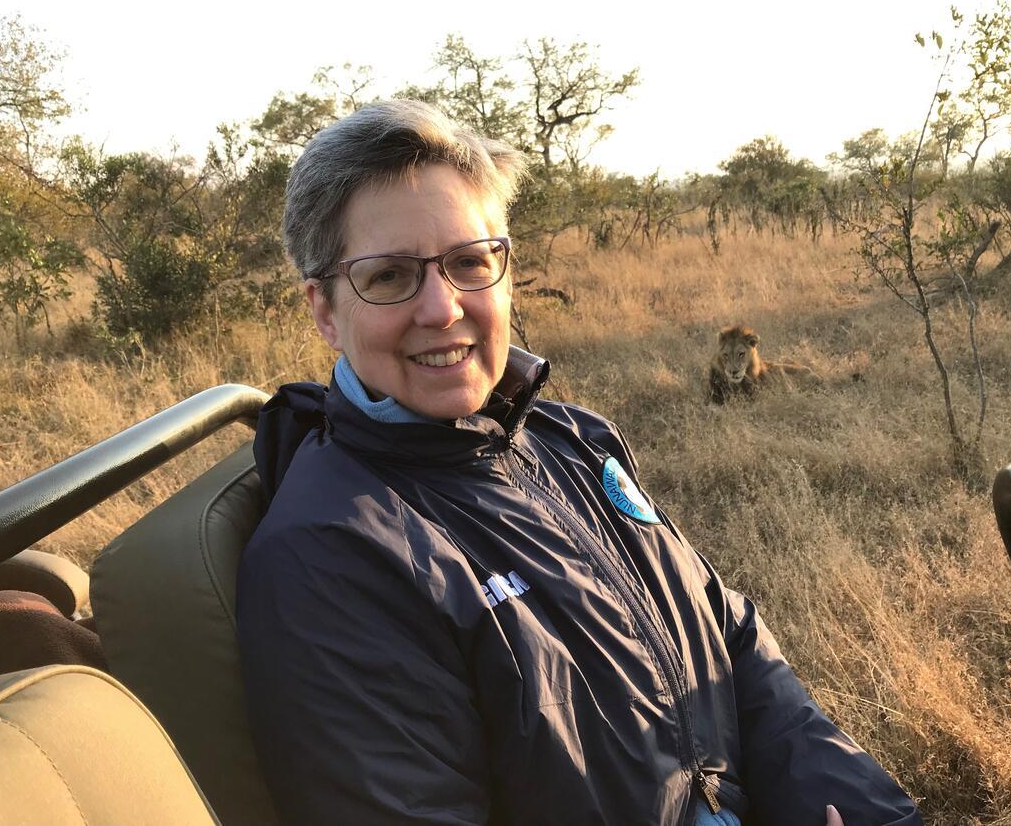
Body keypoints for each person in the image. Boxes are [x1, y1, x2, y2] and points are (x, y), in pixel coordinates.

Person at [236, 99, 921, 826]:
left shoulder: (569, 440)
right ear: (324, 309)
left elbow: (730, 640)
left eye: (470, 263)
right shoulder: (334, 557)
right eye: (389, 276)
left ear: (504, 274)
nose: (442, 308)